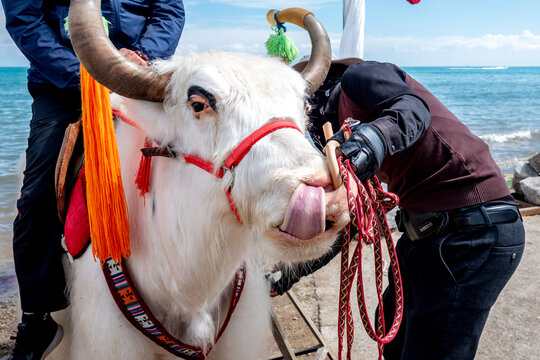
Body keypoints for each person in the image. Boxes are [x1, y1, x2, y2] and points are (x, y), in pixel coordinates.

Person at [271, 58, 525, 360]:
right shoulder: (340, 143)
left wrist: (367, 144)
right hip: (426, 237)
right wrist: (280, 280)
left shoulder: (359, 77)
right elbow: (349, 225)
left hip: (473, 231)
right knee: (390, 333)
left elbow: (413, 109)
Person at [1, 0, 185, 358]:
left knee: (199, 167)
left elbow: (169, 10)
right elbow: (25, 20)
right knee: (36, 203)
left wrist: (138, 61)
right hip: (66, 85)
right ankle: (36, 319)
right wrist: (85, 73)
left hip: (141, 76)